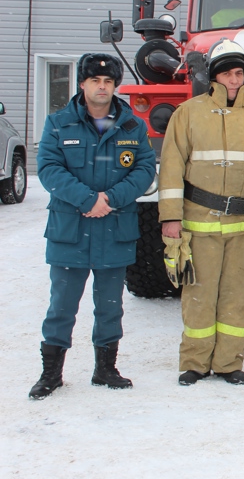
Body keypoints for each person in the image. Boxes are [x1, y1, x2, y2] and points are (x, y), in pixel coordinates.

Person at [30, 53, 155, 399]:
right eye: (95, 81)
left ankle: (105, 369)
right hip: (70, 229)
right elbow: (49, 169)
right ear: (82, 84)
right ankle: (51, 373)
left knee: (110, 306)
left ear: (115, 86)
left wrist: (111, 199)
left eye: (108, 82)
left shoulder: (132, 125)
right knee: (62, 306)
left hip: (114, 229)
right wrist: (88, 200)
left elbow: (144, 169)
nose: (102, 87)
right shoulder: (59, 124)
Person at [159, 38, 244, 386]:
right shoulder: (188, 114)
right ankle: (195, 363)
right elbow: (171, 167)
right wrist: (170, 217)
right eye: (227, 72)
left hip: (243, 225)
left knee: (238, 297)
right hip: (200, 223)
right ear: (214, 77)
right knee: (199, 294)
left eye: (239, 73)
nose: (233, 79)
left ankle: (229, 363)